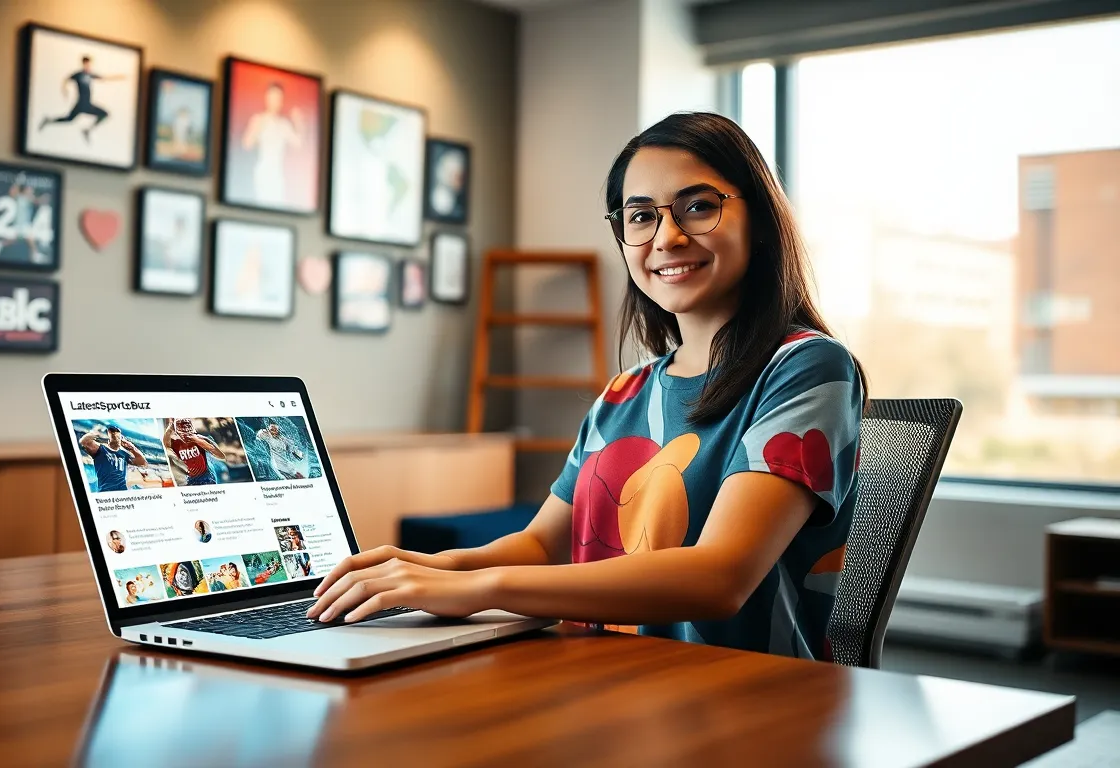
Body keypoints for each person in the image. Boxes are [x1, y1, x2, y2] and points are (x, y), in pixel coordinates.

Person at [306, 112, 867, 662]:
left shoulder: (808, 367)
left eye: (698, 207)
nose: (666, 237)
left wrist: (483, 589)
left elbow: (720, 576)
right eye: (640, 216)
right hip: (603, 683)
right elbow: (540, 544)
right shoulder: (624, 392)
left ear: (762, 222)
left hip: (745, 703)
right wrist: (430, 569)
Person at [241, 82, 303, 206]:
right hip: (263, 171)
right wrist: (257, 127)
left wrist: (299, 122)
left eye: (278, 98)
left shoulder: (284, 124)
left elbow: (298, 143)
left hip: (278, 174)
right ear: (267, 98)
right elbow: (246, 144)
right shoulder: (258, 119)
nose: (275, 101)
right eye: (273, 97)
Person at [40, 56, 126, 144]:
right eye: (87, 64)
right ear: (83, 64)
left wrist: (118, 77)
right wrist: (65, 91)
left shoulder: (90, 75)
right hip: (82, 104)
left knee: (102, 115)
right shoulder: (78, 75)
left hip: (86, 104)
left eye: (89, 65)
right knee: (70, 119)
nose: (88, 66)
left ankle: (49, 121)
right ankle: (49, 121)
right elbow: (66, 79)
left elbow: (104, 78)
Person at [80, 424, 147, 493]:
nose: (116, 439)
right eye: (113, 436)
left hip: (122, 491)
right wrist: (95, 433)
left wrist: (132, 448)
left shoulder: (124, 454)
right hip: (105, 491)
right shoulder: (101, 449)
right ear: (108, 440)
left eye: (118, 437)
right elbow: (84, 441)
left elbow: (142, 462)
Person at [163, 418, 230, 486]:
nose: (185, 434)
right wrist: (170, 427)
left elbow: (221, 456)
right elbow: (166, 444)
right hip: (191, 479)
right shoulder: (176, 444)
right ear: (177, 432)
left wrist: (198, 441)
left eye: (187, 429)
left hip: (206, 477)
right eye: (182, 431)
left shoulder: (200, 439)